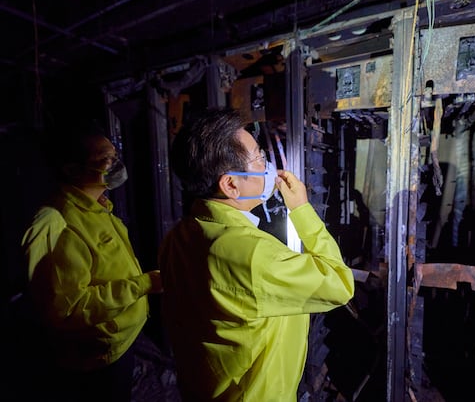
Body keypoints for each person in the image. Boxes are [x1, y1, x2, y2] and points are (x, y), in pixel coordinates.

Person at [159, 108, 355, 402]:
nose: (268, 166)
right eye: (259, 158)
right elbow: (339, 284)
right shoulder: (255, 255)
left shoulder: (178, 237)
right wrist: (302, 209)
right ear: (230, 184)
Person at [20, 127, 163, 402]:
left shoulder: (96, 206)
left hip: (120, 342)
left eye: (115, 155)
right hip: (96, 361)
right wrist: (143, 284)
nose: (116, 164)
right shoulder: (58, 223)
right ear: (73, 170)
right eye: (106, 159)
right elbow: (68, 308)